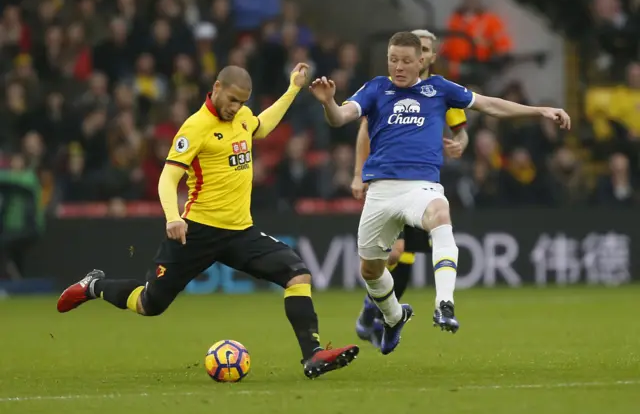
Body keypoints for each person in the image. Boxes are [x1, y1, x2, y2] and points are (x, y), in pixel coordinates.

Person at [56, 64, 359, 379]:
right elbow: (167, 178)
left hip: (241, 232)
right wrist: (173, 217)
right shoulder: (195, 127)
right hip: (196, 233)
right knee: (150, 303)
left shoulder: (242, 117)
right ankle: (94, 286)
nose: (235, 107)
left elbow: (262, 126)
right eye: (231, 99)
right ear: (216, 87)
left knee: (298, 274)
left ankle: (313, 355)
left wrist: (293, 88)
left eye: (241, 102)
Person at [309, 31, 570, 355]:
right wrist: (329, 103)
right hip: (381, 191)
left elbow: (489, 105)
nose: (399, 67)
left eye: (406, 61)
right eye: (393, 60)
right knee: (371, 270)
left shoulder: (439, 89)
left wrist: (539, 110)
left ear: (423, 61)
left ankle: (444, 303)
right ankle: (393, 317)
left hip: (422, 186)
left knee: (440, 215)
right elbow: (341, 118)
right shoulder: (376, 87)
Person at [351, 29, 469, 348]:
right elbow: (364, 132)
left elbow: (461, 130)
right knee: (396, 253)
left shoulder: (440, 91)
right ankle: (376, 311)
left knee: (407, 256)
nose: (424, 54)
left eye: (428, 49)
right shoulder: (385, 90)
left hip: (421, 184)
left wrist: (459, 144)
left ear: (429, 57)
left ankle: (379, 313)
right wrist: (357, 174)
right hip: (387, 183)